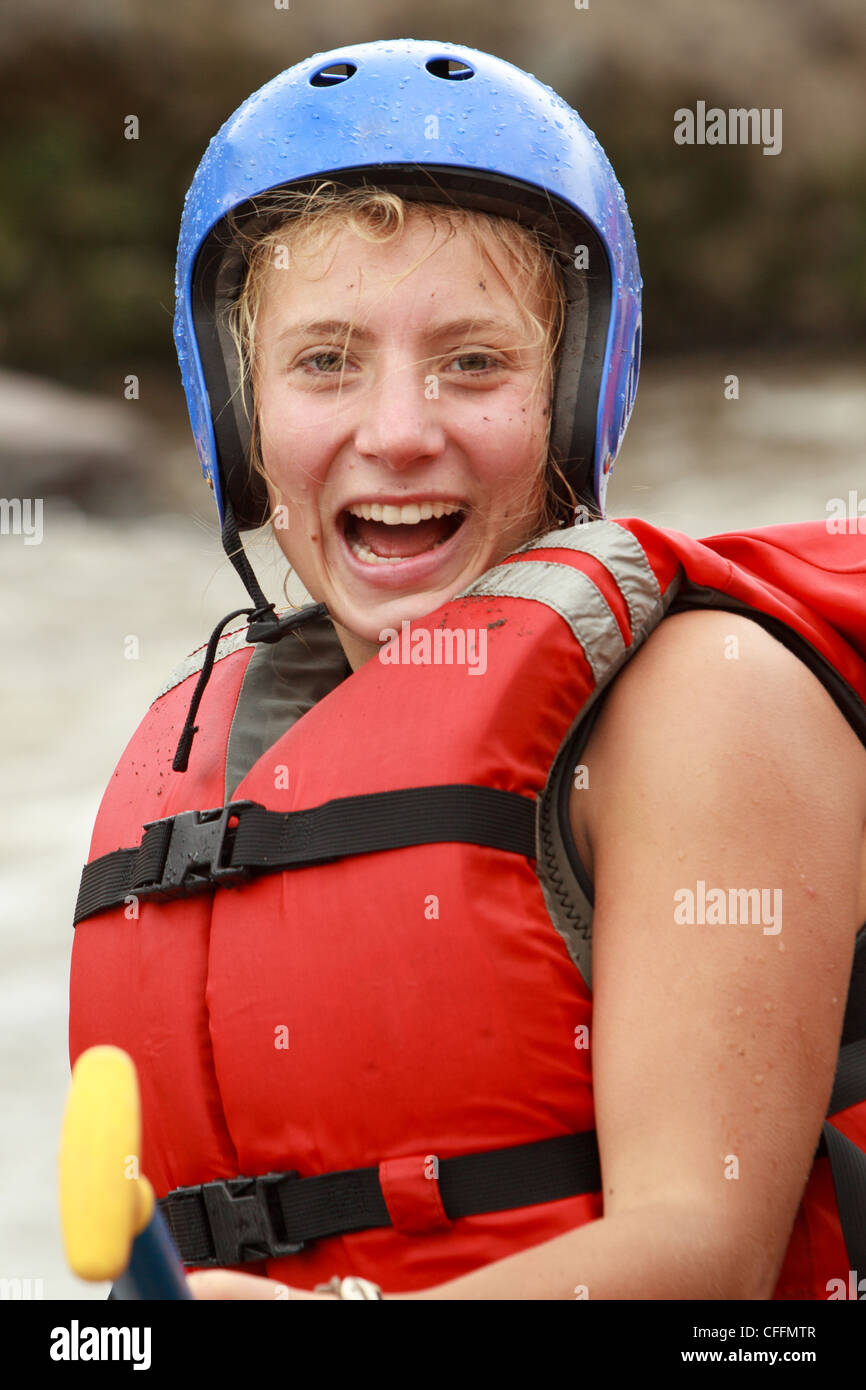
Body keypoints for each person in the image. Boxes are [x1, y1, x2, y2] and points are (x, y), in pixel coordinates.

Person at [70, 39, 866, 1301]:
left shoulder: (708, 700)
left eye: (474, 362)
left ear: (573, 400)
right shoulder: (220, 759)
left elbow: (707, 1260)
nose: (398, 431)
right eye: (325, 361)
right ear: (237, 419)